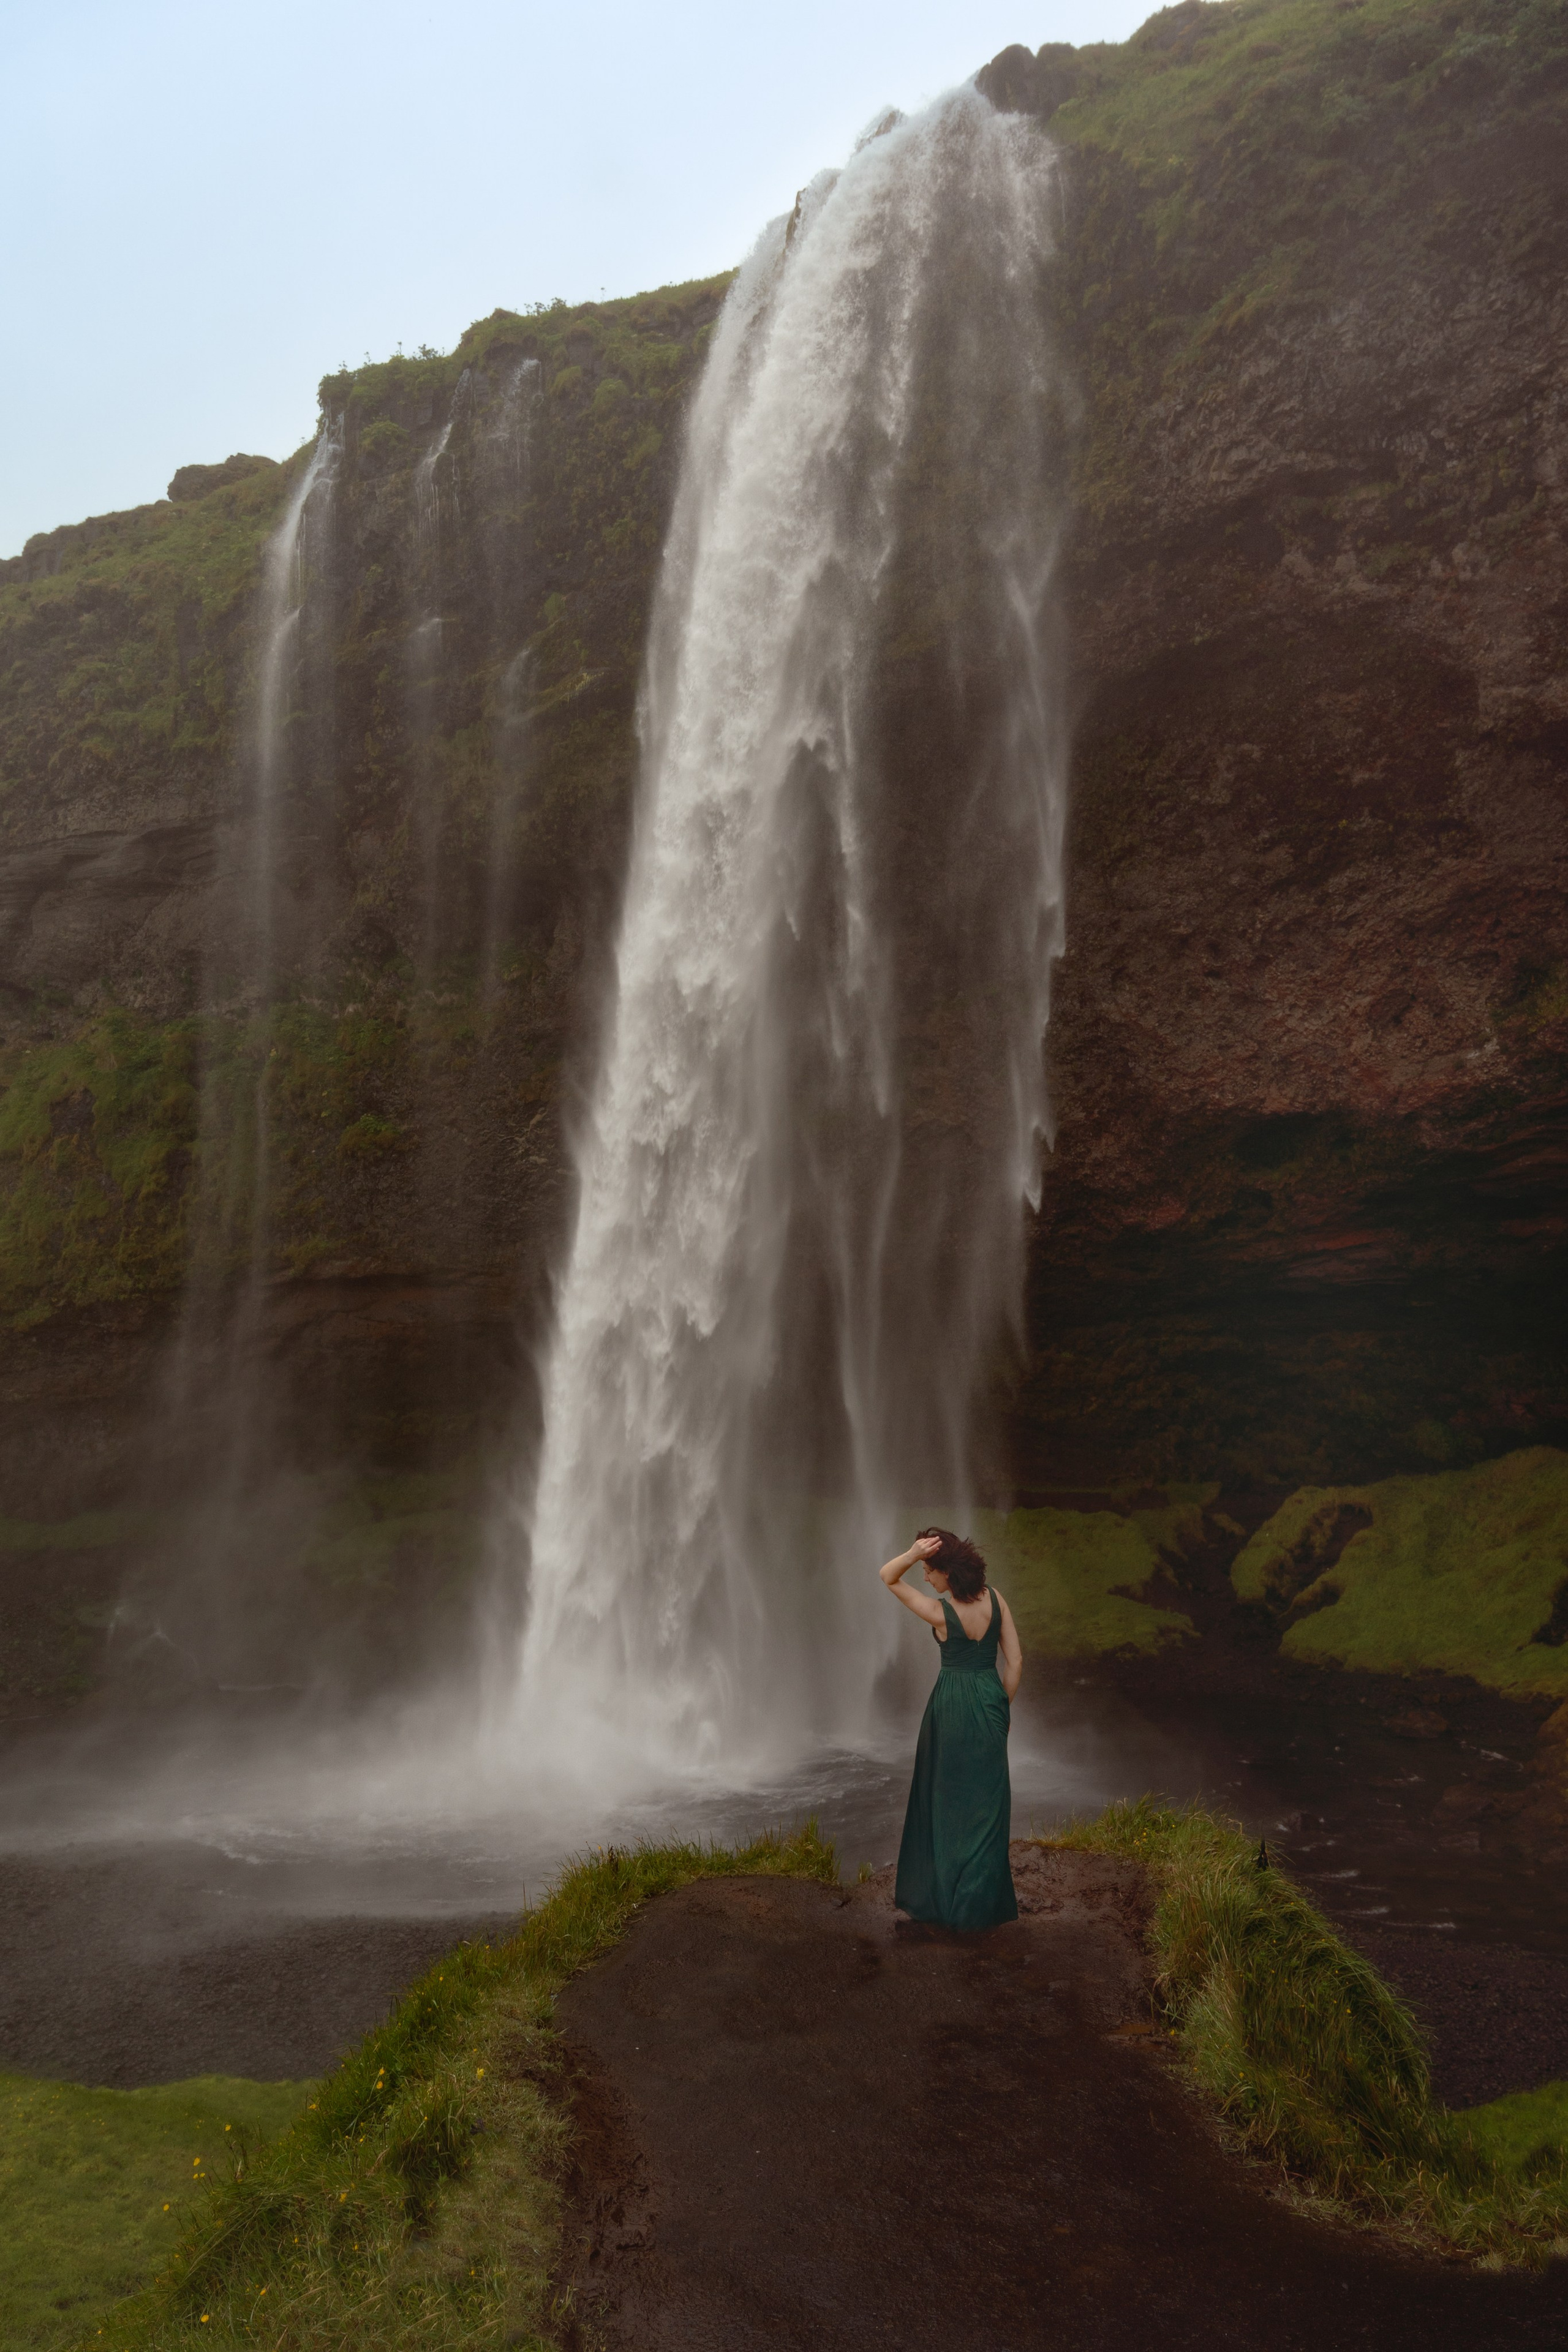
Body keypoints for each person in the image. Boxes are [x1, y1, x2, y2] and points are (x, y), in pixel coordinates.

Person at [880, 1526, 1022, 1930]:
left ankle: (945, 1902)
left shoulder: (940, 1613)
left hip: (951, 1709)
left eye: (929, 1570)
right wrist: (999, 1710)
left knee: (945, 1806)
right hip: (991, 1704)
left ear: (946, 1572)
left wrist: (910, 1553)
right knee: (987, 1808)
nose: (925, 1578)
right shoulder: (997, 1600)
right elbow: (1014, 1664)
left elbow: (887, 1576)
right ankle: (980, 1908)